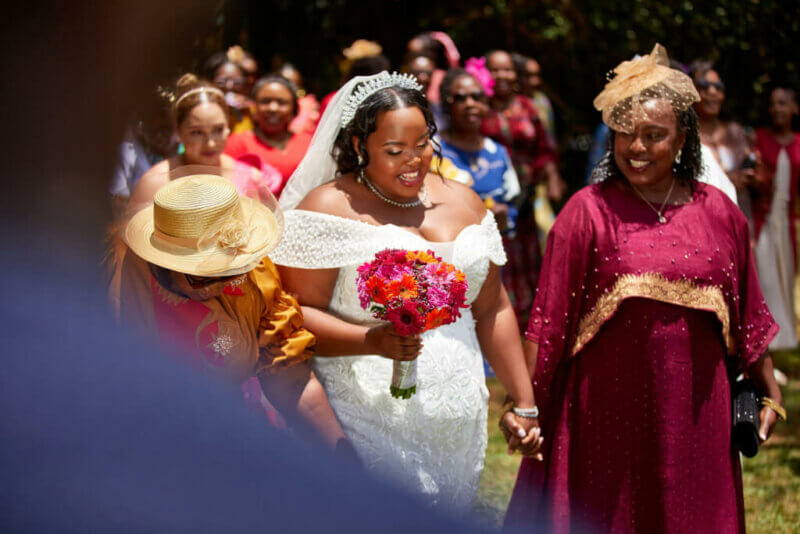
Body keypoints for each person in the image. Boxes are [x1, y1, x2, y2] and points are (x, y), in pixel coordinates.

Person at [505, 44, 785, 534]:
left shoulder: (720, 211)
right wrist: (525, 408)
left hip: (698, 413)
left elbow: (749, 312)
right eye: (624, 135)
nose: (636, 148)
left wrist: (769, 391)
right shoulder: (585, 212)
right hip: (604, 412)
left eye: (653, 136)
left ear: (682, 140)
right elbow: (548, 325)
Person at [270, 72, 542, 511]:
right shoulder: (327, 207)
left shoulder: (466, 201)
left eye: (422, 144)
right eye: (394, 151)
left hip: (457, 419)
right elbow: (292, 314)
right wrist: (371, 340)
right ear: (360, 146)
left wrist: (523, 401)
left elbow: (493, 307)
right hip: (368, 417)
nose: (414, 161)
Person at [121, 174, 348, 450]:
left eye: (232, 272)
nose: (220, 286)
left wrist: (342, 456)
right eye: (202, 278)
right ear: (165, 263)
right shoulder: (125, 282)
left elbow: (290, 378)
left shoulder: (254, 275)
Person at [481, 49, 565, 330]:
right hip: (493, 198)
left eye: (507, 69)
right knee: (501, 257)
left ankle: (533, 324)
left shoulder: (528, 106)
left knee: (535, 253)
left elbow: (546, 147)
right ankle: (502, 322)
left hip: (529, 195)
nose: (502, 75)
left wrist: (544, 175)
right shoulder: (480, 107)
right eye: (495, 69)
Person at [129, 74, 282, 211]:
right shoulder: (154, 183)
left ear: (228, 127)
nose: (210, 144)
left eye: (218, 130)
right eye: (197, 132)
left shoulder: (250, 179)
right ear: (178, 131)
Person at [438, 68, 520, 234]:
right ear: (447, 105)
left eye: (477, 97)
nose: (470, 104)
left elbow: (511, 206)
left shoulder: (498, 153)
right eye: (460, 98)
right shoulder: (432, 150)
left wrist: (504, 218)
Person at [753, 86, 800, 349]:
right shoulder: (759, 139)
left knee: (787, 274)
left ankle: (787, 337)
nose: (777, 109)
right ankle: (767, 338)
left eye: (783, 103)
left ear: (794, 109)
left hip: (788, 219)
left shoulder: (798, 143)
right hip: (763, 219)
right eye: (773, 104)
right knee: (765, 277)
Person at [225, 75, 313, 197]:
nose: (273, 108)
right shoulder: (236, 143)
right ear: (253, 106)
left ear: (294, 108)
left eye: (282, 103)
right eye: (265, 101)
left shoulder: (310, 143)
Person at [691, 60, 756, 228]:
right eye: (704, 86)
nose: (712, 92)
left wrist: (756, 174)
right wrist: (727, 179)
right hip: (705, 223)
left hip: (742, 217)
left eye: (718, 87)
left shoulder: (736, 132)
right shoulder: (685, 136)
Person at [109, 84, 179, 216]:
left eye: (165, 129)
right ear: (141, 128)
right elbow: (119, 201)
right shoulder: (127, 154)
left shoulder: (189, 151)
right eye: (152, 131)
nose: (159, 136)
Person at [204, 51, 254, 133]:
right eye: (222, 82)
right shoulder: (201, 110)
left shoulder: (251, 111)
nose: (229, 86)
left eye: (237, 82)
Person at [513, 53, 556, 142]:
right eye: (529, 76)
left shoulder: (542, 100)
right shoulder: (510, 103)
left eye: (537, 75)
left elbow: (549, 136)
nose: (535, 81)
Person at [280, 63, 320, 135]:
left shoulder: (308, 104)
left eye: (294, 82)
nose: (290, 86)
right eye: (286, 82)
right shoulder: (272, 105)